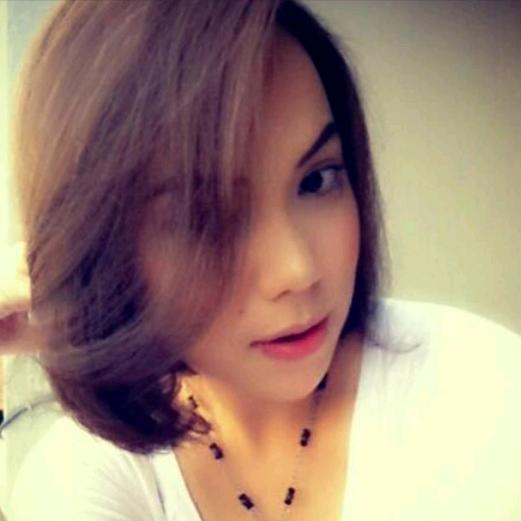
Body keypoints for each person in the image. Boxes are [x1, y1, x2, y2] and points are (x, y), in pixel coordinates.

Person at [3, 1, 520, 520]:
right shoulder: (81, 475)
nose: (297, 271)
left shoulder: (480, 389)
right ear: (103, 243)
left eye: (317, 180)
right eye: (205, 216)